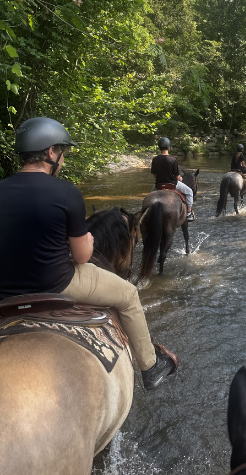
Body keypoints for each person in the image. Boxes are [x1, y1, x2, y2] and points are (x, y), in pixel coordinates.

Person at [0, 117, 177, 391]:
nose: (63, 161)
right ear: (50, 152)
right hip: (58, 283)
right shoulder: (66, 192)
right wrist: (89, 241)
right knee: (129, 295)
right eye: (63, 154)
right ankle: (151, 367)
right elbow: (82, 257)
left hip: (5, 290)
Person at [151, 137, 195, 222]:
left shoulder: (155, 159)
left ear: (159, 148)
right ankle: (189, 213)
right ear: (169, 148)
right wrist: (180, 178)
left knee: (149, 197)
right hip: (172, 184)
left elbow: (155, 175)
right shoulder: (172, 159)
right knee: (189, 192)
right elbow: (177, 177)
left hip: (158, 185)